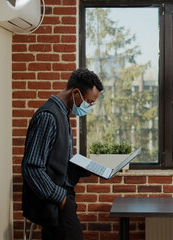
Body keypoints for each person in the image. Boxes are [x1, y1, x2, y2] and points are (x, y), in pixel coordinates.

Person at [21, 68, 104, 240]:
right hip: (56, 200)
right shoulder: (48, 117)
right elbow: (32, 167)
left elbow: (59, 162)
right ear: (75, 93)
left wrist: (87, 169)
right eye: (88, 102)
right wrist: (61, 199)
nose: (88, 107)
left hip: (62, 198)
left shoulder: (62, 114)